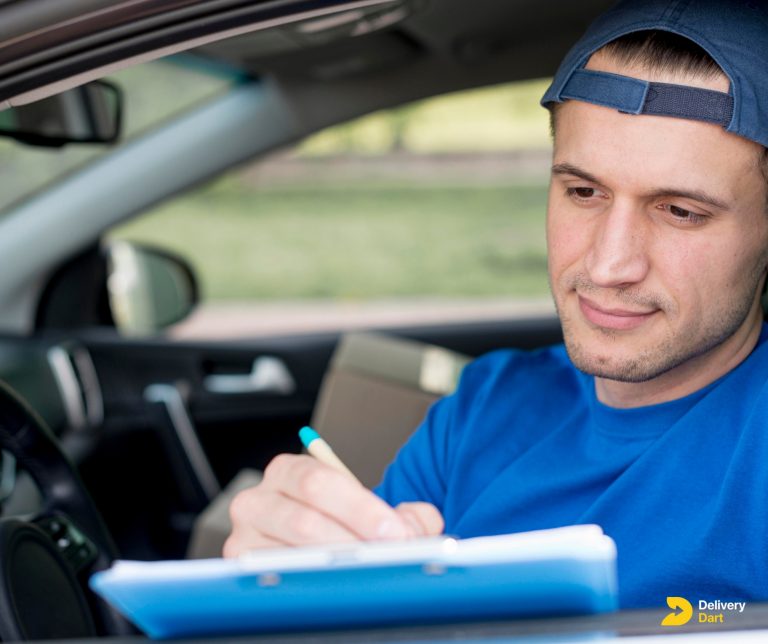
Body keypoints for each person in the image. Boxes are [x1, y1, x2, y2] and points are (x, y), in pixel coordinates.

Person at [224, 0, 768, 608]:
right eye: (583, 192)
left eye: (680, 212)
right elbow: (358, 608)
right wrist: (286, 588)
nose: (609, 265)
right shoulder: (486, 406)